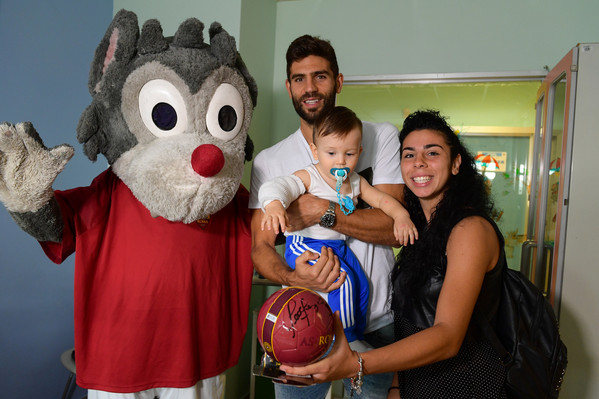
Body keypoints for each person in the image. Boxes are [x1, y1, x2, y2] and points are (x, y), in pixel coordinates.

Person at [280, 110, 508, 398]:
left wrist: (356, 363)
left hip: (465, 387)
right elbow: (411, 323)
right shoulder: (418, 233)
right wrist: (397, 386)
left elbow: (448, 336)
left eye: (433, 153)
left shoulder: (470, 230)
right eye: (409, 155)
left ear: (455, 163)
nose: (419, 163)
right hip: (416, 385)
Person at [250, 35, 403, 398]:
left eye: (320, 76)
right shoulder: (270, 162)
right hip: (298, 321)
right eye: (299, 79)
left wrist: (323, 212)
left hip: (376, 322)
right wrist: (293, 276)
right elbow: (259, 246)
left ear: (338, 81)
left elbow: (395, 230)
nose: (310, 88)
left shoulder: (379, 138)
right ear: (289, 87)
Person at [259, 106, 417, 351]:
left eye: (349, 154)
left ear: (359, 152)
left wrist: (402, 216)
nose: (340, 161)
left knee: (361, 285)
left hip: (338, 246)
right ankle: (347, 341)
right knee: (343, 282)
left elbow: (383, 201)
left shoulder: (355, 181)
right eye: (331, 153)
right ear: (315, 151)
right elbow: (277, 186)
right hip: (306, 246)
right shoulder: (310, 176)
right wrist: (274, 206)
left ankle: (355, 332)